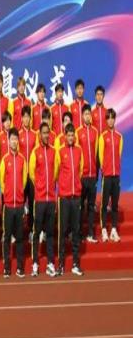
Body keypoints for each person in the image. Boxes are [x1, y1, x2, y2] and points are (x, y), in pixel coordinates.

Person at [55, 123, 84, 276]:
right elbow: (56, 172)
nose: (71, 137)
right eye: (69, 135)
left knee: (76, 230)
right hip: (64, 198)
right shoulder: (60, 151)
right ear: (65, 136)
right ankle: (60, 264)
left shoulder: (79, 151)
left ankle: (75, 264)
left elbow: (80, 170)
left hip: (76, 197)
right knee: (62, 231)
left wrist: (76, 187)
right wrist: (64, 187)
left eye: (73, 135)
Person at [29, 122, 57, 278]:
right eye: (43, 133)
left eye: (48, 133)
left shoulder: (54, 151)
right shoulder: (35, 152)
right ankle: (35, 263)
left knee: (50, 233)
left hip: (51, 198)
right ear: (40, 135)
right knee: (36, 232)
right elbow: (32, 173)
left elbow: (56, 171)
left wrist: (50, 186)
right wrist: (40, 186)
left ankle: (50, 263)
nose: (46, 135)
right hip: (39, 199)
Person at [0, 128, 27, 278]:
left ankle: (20, 267)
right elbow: (2, 182)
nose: (14, 141)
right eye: (12, 139)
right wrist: (9, 195)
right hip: (9, 205)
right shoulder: (4, 160)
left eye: (16, 139)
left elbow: (24, 180)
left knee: (20, 237)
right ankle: (6, 267)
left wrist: (19, 195)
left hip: (19, 205)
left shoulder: (23, 159)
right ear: (8, 141)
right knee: (7, 237)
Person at [99, 108, 123, 243]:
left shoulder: (119, 136)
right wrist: (105, 171)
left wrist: (116, 171)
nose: (110, 120)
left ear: (115, 119)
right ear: (106, 120)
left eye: (112, 118)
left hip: (116, 176)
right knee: (104, 204)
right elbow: (101, 157)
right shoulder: (102, 137)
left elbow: (119, 155)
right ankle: (104, 230)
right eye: (108, 118)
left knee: (114, 204)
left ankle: (113, 229)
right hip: (107, 176)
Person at [76, 104, 99, 243]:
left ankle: (90, 233)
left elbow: (96, 154)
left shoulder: (96, 132)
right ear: (82, 116)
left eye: (89, 114)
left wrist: (96, 174)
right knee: (80, 207)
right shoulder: (78, 132)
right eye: (85, 114)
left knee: (91, 207)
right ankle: (78, 233)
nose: (88, 116)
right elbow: (77, 156)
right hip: (82, 176)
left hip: (92, 176)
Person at [19, 105, 37, 235]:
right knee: (20, 204)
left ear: (30, 118)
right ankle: (19, 231)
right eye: (24, 117)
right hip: (20, 176)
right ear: (21, 118)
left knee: (31, 204)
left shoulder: (35, 135)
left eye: (28, 117)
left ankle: (31, 230)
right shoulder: (18, 134)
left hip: (31, 176)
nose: (26, 119)